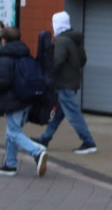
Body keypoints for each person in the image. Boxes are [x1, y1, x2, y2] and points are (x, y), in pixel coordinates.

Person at [0, 26, 49, 178]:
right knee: (12, 133)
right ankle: (10, 165)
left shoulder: (5, 57)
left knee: (13, 132)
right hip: (27, 99)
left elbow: (4, 82)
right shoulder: (26, 53)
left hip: (14, 100)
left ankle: (37, 152)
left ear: (4, 40)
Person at [36, 12, 98, 154]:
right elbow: (83, 61)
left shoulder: (61, 41)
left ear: (57, 24)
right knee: (58, 113)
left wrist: (46, 72)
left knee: (74, 114)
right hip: (71, 81)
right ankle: (45, 138)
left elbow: (56, 61)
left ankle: (88, 142)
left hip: (63, 83)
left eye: (53, 23)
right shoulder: (75, 40)